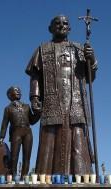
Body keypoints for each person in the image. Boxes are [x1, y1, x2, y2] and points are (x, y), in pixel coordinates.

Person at [26, 15, 98, 175]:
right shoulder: (42, 49)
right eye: (57, 23)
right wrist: (35, 97)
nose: (61, 26)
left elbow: (90, 78)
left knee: (77, 139)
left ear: (70, 28)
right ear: (50, 28)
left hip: (76, 102)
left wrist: (91, 59)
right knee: (49, 139)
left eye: (65, 23)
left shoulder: (79, 49)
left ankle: (81, 177)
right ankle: (46, 177)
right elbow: (35, 76)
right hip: (52, 101)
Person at [0, 86, 39, 179]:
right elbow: (4, 124)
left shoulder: (27, 106)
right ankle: (13, 177)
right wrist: (2, 137)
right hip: (16, 132)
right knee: (14, 156)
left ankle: (24, 177)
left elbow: (32, 121)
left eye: (19, 90)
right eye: (16, 91)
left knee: (27, 156)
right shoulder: (8, 108)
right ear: (10, 95)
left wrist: (38, 113)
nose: (18, 92)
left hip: (28, 132)